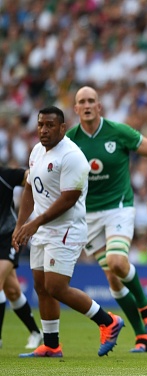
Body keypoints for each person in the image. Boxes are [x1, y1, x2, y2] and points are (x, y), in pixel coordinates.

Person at [12, 106, 124, 358]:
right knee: (40, 286)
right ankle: (51, 344)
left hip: (66, 228)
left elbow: (69, 199)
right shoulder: (37, 151)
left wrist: (35, 223)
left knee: (56, 287)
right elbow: (29, 187)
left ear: (62, 128)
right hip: (41, 228)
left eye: (50, 125)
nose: (44, 129)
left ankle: (108, 322)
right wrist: (21, 224)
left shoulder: (72, 156)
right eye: (41, 124)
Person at [66, 86, 147, 353]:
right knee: (112, 279)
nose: (86, 105)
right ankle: (142, 336)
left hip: (118, 207)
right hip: (87, 215)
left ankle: (146, 307)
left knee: (118, 262)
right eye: (81, 102)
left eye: (91, 101)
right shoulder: (69, 140)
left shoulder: (118, 132)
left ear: (99, 106)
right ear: (75, 109)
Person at [0, 165, 42, 350]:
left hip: (7, 237)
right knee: (13, 291)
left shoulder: (6, 174)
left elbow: (31, 178)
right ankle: (36, 332)